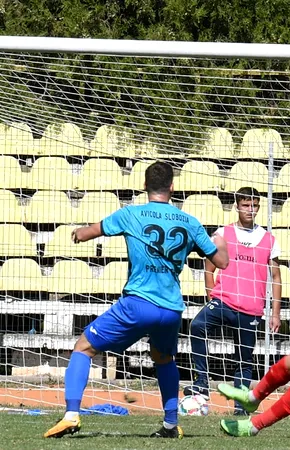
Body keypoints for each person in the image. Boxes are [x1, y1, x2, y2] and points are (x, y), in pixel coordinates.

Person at [44, 161, 229, 439]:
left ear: (144, 186)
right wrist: (220, 243)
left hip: (138, 303)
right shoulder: (190, 223)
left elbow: (91, 231)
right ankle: (169, 425)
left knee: (83, 347)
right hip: (170, 309)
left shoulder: (131, 214)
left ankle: (71, 415)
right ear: (172, 187)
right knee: (163, 359)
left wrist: (79, 233)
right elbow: (221, 262)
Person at [185, 187, 283, 415]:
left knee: (244, 359)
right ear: (237, 206)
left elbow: (276, 277)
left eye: (254, 205)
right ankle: (201, 382)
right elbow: (208, 267)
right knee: (197, 326)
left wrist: (275, 313)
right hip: (223, 302)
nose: (250, 210)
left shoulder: (268, 239)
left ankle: (241, 408)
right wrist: (212, 293)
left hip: (251, 308)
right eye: (246, 205)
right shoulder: (223, 234)